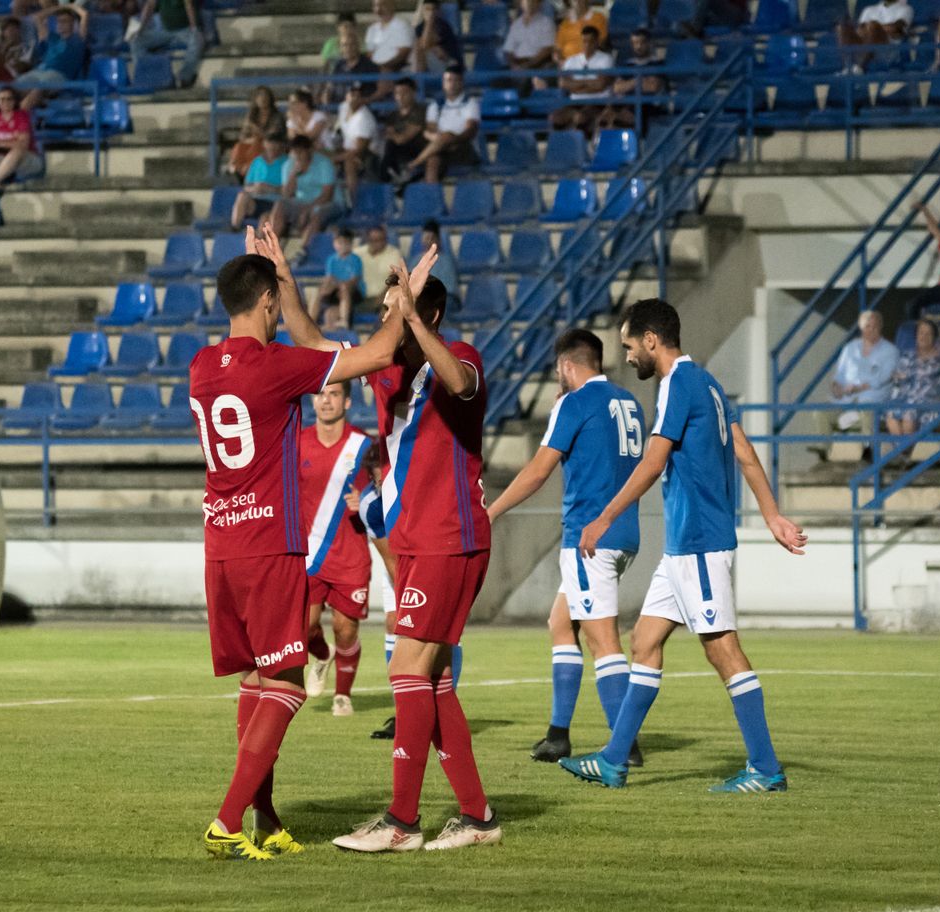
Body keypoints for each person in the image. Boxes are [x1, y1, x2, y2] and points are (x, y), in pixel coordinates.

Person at [188, 227, 412, 862]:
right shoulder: (278, 366)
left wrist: (277, 281)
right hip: (269, 546)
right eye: (274, 302)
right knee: (287, 686)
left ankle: (265, 819)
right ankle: (227, 821)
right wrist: (403, 301)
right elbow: (378, 353)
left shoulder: (201, 365)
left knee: (257, 681)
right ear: (267, 302)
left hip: (220, 544)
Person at [561, 298, 806, 793]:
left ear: (651, 340)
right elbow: (744, 451)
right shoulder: (708, 384)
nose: (628, 356)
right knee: (644, 642)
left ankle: (765, 768)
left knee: (723, 651)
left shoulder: (677, 384)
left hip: (699, 543)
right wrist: (772, 514)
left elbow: (653, 463)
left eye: (630, 346)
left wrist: (604, 517)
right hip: (682, 549)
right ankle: (614, 760)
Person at [297, 263, 499, 853]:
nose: (385, 320)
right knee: (431, 680)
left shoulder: (459, 356)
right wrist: (285, 280)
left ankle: (401, 823)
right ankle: (477, 817)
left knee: (406, 669)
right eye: (385, 311)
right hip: (415, 542)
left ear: (426, 314)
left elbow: (459, 382)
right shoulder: (386, 370)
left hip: (450, 536)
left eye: (395, 311)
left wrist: (413, 317)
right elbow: (313, 344)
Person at [487, 329, 644, 764]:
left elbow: (538, 471)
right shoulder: (628, 401)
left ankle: (624, 747)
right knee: (561, 622)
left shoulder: (573, 403)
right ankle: (558, 735)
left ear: (566, 365)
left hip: (589, 538)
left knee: (603, 640)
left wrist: (492, 510)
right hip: (624, 533)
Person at [297, 380, 374, 716]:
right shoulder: (296, 443)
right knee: (303, 628)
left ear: (347, 402)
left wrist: (367, 502)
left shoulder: (364, 446)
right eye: (321, 394)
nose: (326, 400)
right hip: (310, 554)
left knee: (345, 628)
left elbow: (386, 492)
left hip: (350, 555)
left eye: (334, 394)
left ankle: (343, 695)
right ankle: (322, 655)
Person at [407, 66, 479, 184]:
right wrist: (442, 140)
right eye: (448, 80)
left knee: (447, 136)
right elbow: (430, 130)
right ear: (443, 83)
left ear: (461, 83)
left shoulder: (470, 103)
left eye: (456, 80)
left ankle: (414, 163)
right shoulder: (435, 105)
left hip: (463, 149)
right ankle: (432, 194)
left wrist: (451, 139)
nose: (452, 84)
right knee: (432, 160)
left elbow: (470, 131)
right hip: (441, 148)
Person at [829, 310, 898, 432]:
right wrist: (836, 388)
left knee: (866, 413)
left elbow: (883, 378)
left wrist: (858, 388)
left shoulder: (890, 351)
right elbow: (838, 376)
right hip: (846, 401)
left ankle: (867, 444)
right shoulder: (850, 348)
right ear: (861, 328)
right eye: (867, 326)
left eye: (875, 327)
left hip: (873, 403)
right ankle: (824, 446)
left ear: (880, 327)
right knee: (820, 413)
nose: (871, 330)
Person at [16, 2, 92, 109]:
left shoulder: (78, 39)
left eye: (64, 21)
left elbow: (85, 14)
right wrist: (59, 8)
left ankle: (18, 115)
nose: (60, 24)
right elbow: (38, 17)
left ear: (73, 23)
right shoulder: (51, 37)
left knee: (39, 89)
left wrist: (70, 7)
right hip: (40, 71)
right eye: (58, 21)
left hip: (60, 75)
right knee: (14, 87)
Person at [269, 134, 342, 244]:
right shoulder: (288, 165)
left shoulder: (324, 163)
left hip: (330, 203)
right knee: (280, 204)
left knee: (317, 212)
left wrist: (307, 209)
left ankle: (303, 250)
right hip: (302, 201)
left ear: (310, 150)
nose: (297, 156)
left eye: (301, 152)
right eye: (295, 152)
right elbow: (286, 194)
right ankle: (272, 246)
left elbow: (327, 196)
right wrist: (293, 175)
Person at [884, 318, 940, 437]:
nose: (924, 336)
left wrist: (905, 374)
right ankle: (902, 447)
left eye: (928, 333)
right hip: (905, 398)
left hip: (928, 400)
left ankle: (903, 447)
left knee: (909, 414)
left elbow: (924, 373)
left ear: (934, 337)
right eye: (921, 332)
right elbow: (898, 376)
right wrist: (899, 375)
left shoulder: (939, 358)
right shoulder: (908, 355)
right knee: (890, 412)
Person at [549, 25, 614, 136]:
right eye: (584, 41)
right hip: (575, 102)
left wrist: (577, 86)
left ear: (597, 42)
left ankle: (583, 144)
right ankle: (559, 144)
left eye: (591, 41)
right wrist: (589, 83)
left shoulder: (606, 59)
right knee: (555, 117)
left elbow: (601, 84)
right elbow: (563, 83)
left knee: (581, 117)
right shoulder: (571, 60)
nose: (587, 45)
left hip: (598, 102)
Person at [132, 0, 205, 91]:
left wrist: (194, 28)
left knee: (197, 41)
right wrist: (140, 28)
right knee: (136, 41)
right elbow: (150, 6)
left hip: (184, 29)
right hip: (164, 29)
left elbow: (189, 6)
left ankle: (184, 78)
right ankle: (146, 73)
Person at [231, 131, 289, 231]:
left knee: (265, 218)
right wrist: (256, 188)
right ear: (264, 144)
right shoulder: (257, 161)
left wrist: (270, 188)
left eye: (275, 143)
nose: (272, 147)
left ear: (280, 145)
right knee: (242, 196)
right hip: (256, 200)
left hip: (275, 203)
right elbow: (246, 186)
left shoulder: (287, 162)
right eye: (269, 143)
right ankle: (234, 229)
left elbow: (289, 190)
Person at [332, 82, 378, 206]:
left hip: (369, 153)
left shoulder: (364, 118)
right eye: (352, 94)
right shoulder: (343, 107)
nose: (354, 98)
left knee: (349, 162)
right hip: (347, 148)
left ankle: (354, 202)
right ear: (346, 95)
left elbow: (360, 149)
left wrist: (336, 158)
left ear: (363, 99)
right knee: (322, 154)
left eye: (359, 95)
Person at [226, 86, 284, 184]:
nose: (263, 99)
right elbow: (243, 136)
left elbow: (273, 135)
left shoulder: (276, 116)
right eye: (260, 96)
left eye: (265, 96)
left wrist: (258, 134)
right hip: (251, 142)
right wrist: (253, 139)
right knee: (239, 146)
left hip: (270, 144)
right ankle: (235, 168)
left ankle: (245, 171)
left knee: (256, 146)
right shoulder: (251, 115)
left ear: (270, 99)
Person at [836, 0, 912, 73]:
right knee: (842, 28)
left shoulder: (906, 9)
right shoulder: (868, 10)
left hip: (887, 51)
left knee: (873, 26)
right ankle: (847, 68)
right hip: (864, 46)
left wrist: (875, 28)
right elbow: (860, 30)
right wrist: (880, 28)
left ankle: (860, 67)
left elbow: (896, 28)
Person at [313, 226, 363, 328]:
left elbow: (354, 280)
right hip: (336, 289)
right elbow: (329, 278)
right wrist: (326, 288)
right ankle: (311, 319)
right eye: (339, 243)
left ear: (351, 244)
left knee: (344, 288)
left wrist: (340, 286)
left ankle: (344, 320)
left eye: (346, 243)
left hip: (352, 291)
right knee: (321, 291)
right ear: (334, 243)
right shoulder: (331, 259)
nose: (342, 246)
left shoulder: (355, 259)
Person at [378, 76, 426, 182]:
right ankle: (391, 178)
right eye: (397, 93)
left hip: (418, 151)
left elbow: (402, 139)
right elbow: (387, 135)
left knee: (390, 144)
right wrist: (394, 135)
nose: (400, 97)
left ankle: (391, 178)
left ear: (413, 93)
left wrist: (393, 134)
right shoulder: (393, 115)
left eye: (404, 93)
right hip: (397, 152)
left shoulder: (419, 112)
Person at [504, 0, 557, 87]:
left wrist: (527, 65)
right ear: (521, 3)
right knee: (497, 81)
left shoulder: (546, 23)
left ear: (539, 4)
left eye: (532, 1)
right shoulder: (516, 25)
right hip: (517, 64)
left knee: (526, 81)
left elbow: (547, 50)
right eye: (526, 1)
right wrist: (513, 65)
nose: (529, 4)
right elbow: (509, 50)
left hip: (537, 64)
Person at [355, 223, 402, 309]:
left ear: (386, 239)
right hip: (359, 298)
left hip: (383, 298)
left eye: (381, 239)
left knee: (388, 311)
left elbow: (395, 278)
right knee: (335, 311)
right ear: (368, 240)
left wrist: (384, 296)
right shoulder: (357, 253)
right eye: (373, 240)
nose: (378, 243)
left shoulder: (394, 253)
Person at [411, 0, 463, 73]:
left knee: (427, 47)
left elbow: (426, 43)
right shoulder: (419, 28)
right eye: (427, 9)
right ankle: (418, 77)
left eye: (433, 9)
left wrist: (429, 22)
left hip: (449, 64)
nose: (430, 12)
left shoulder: (443, 26)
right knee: (417, 46)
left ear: (438, 11)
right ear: (423, 11)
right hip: (428, 63)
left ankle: (418, 77)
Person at [364, 0, 414, 74]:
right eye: (375, 6)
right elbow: (369, 54)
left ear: (392, 6)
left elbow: (404, 53)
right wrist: (375, 68)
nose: (378, 9)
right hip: (375, 72)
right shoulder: (371, 29)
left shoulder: (402, 26)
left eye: (382, 5)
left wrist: (385, 67)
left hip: (397, 71)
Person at [414, 218, 458, 297]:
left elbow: (449, 290)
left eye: (431, 238)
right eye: (426, 238)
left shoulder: (446, 262)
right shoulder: (415, 261)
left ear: (438, 240)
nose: (428, 242)